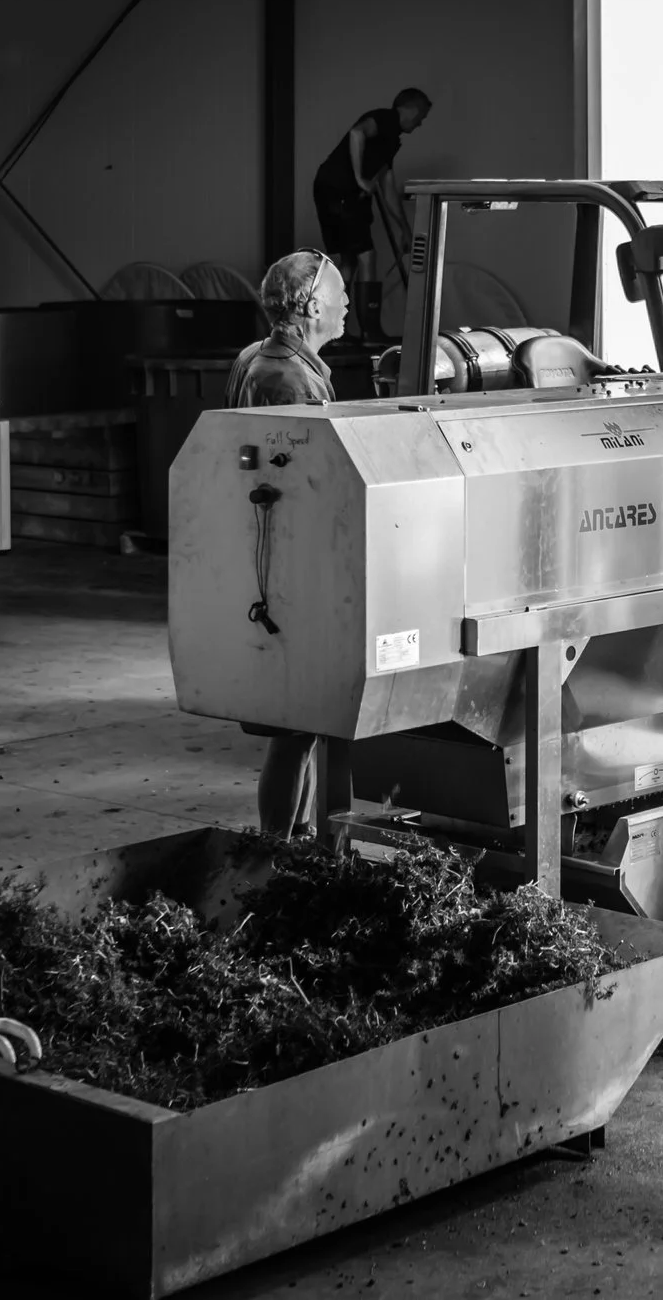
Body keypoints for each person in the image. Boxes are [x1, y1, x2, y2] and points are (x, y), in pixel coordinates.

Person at [229, 250, 355, 847]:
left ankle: (293, 839)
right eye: (338, 295)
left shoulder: (257, 357)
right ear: (310, 307)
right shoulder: (287, 377)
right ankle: (278, 847)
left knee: (301, 724)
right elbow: (306, 478)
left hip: (272, 556)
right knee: (297, 725)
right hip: (290, 564)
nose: (347, 304)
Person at [311, 88, 432, 330]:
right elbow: (357, 133)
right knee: (367, 255)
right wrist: (359, 179)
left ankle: (334, 330)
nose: (420, 124)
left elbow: (387, 187)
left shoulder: (391, 140)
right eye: (421, 116)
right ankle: (369, 331)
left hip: (338, 191)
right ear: (411, 109)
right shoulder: (385, 119)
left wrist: (404, 231)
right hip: (340, 190)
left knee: (350, 260)